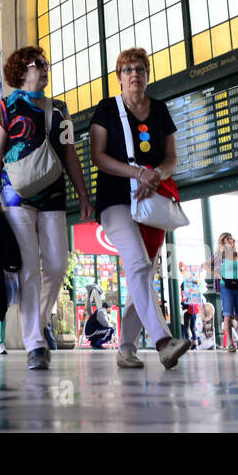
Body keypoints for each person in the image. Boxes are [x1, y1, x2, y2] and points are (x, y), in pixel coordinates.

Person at [0, 45, 92, 371]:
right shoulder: (6, 106)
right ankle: (35, 344)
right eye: (38, 64)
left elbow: (71, 155)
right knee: (29, 269)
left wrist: (83, 195)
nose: (45, 69)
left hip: (54, 197)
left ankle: (38, 321)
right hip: (16, 196)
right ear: (21, 72)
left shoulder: (61, 110)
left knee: (58, 264)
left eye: (46, 63)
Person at [86, 46, 192, 371]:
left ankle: (127, 348)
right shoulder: (106, 109)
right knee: (138, 264)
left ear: (147, 75)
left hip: (151, 202)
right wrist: (136, 173)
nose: (135, 74)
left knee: (140, 271)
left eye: (141, 69)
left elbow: (172, 157)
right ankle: (163, 342)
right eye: (128, 69)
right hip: (116, 199)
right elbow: (98, 156)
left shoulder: (159, 110)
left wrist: (155, 175)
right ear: (119, 77)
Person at [211, 233, 238, 351]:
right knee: (227, 315)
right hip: (226, 287)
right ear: (222, 241)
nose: (230, 240)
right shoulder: (219, 256)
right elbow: (213, 268)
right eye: (227, 238)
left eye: (231, 238)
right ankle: (231, 344)